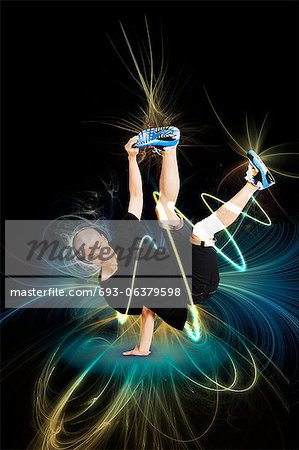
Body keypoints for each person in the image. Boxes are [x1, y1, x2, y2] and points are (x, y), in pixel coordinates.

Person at [73, 128, 275, 357]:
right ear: (88, 259)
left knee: (164, 209)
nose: (100, 248)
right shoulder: (113, 291)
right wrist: (143, 348)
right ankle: (255, 184)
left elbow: (136, 197)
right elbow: (148, 309)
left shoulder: (121, 240)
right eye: (90, 250)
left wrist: (131, 158)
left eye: (97, 240)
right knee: (201, 230)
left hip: (181, 262)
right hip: (196, 286)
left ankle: (170, 148)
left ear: (103, 237)